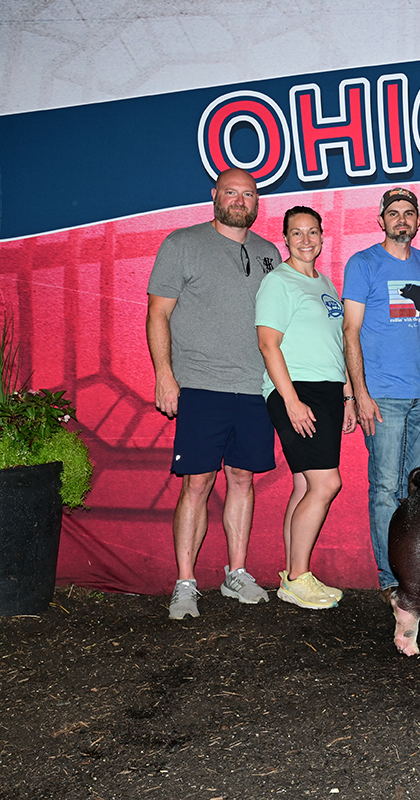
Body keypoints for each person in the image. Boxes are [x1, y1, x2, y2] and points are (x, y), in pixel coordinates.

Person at [147, 167, 281, 620]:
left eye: (248, 193)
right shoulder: (181, 244)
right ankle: (185, 583)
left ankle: (236, 573)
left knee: (243, 479)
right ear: (215, 196)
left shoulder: (270, 254)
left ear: (256, 201)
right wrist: (165, 375)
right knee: (197, 484)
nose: (240, 200)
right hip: (201, 386)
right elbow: (157, 314)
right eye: (231, 192)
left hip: (255, 388)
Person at [342, 188, 420, 604]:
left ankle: (413, 572)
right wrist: (359, 393)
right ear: (381, 220)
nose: (402, 219)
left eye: (409, 213)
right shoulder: (362, 264)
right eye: (394, 213)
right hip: (382, 395)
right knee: (384, 488)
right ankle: (390, 577)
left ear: (418, 221)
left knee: (415, 489)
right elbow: (349, 331)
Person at [256, 206, 356, 610]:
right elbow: (268, 344)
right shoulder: (278, 282)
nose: (305, 239)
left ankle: (291, 576)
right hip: (298, 390)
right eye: (296, 233)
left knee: (304, 484)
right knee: (327, 483)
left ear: (320, 236)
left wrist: (347, 395)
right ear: (285, 238)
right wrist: (291, 400)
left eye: (312, 231)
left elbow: (336, 344)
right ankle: (298, 577)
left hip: (328, 390)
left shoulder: (325, 282)